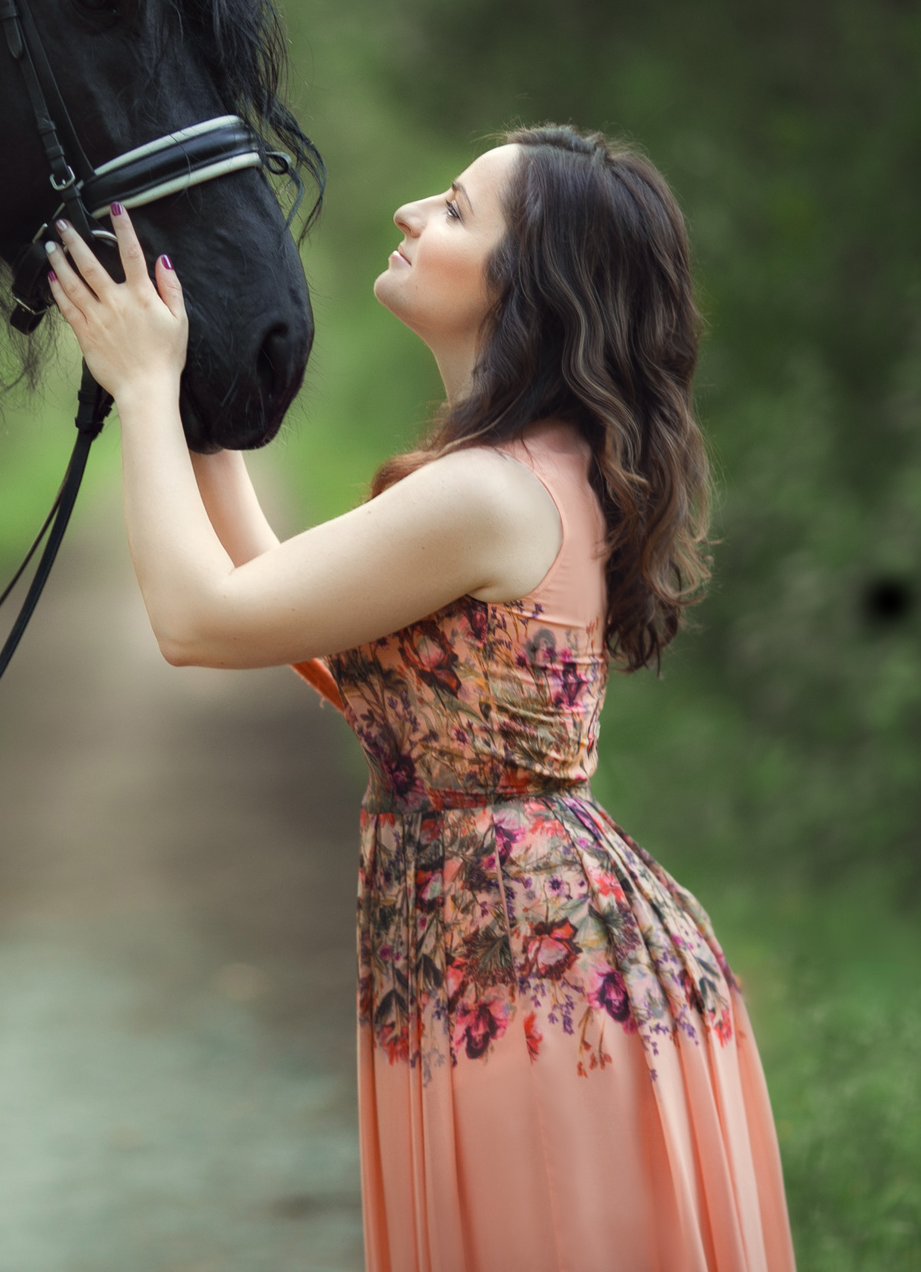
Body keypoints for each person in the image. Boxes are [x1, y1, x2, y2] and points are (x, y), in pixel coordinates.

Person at [45, 126, 795, 1272]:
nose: (409, 213)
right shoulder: (529, 469)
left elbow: (197, 622)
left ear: (525, 282)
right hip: (509, 952)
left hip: (529, 975)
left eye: (452, 208)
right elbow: (283, 605)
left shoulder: (487, 494)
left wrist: (144, 390)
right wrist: (198, 406)